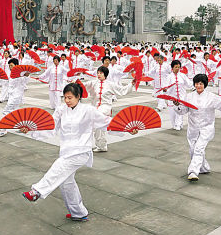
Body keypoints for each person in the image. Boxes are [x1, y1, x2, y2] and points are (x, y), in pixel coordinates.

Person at [20, 83, 137, 221]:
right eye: (65, 97)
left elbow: (107, 122)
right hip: (66, 151)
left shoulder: (88, 110)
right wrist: (32, 131)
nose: (67, 101)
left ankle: (37, 191)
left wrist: (127, 128)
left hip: (81, 151)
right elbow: (51, 128)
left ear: (78, 97)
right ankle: (78, 212)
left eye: (70, 97)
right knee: (66, 182)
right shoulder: (61, 110)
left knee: (59, 167)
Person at [174, 74, 221, 181]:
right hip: (193, 128)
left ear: (205, 84)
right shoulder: (189, 96)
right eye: (196, 83)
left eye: (201, 83)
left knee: (198, 149)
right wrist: (177, 105)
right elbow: (183, 111)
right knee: (193, 150)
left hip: (207, 127)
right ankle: (204, 167)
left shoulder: (212, 97)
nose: (198, 86)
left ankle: (193, 171)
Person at [84, 66, 134, 152]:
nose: (99, 74)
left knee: (97, 119)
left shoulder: (110, 84)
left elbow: (122, 90)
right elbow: (82, 86)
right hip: (95, 107)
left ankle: (101, 145)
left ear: (105, 74)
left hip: (105, 107)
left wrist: (131, 84)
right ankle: (101, 146)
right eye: (98, 73)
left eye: (101, 73)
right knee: (98, 127)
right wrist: (75, 82)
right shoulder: (93, 83)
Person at [0, 58, 30, 137]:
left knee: (6, 111)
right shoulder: (10, 73)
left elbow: (25, 82)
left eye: (12, 65)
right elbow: (7, 82)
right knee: (16, 112)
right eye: (9, 66)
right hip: (12, 95)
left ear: (16, 65)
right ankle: (23, 127)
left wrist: (26, 76)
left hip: (16, 96)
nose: (10, 67)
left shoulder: (21, 74)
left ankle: (3, 129)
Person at [162, 60, 192, 130]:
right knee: (172, 114)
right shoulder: (169, 77)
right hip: (172, 98)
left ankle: (178, 124)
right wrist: (165, 90)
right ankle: (175, 124)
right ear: (172, 68)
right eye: (176, 67)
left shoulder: (182, 75)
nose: (177, 69)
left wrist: (195, 84)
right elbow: (165, 87)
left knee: (179, 112)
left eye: (179, 67)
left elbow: (189, 84)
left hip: (181, 97)